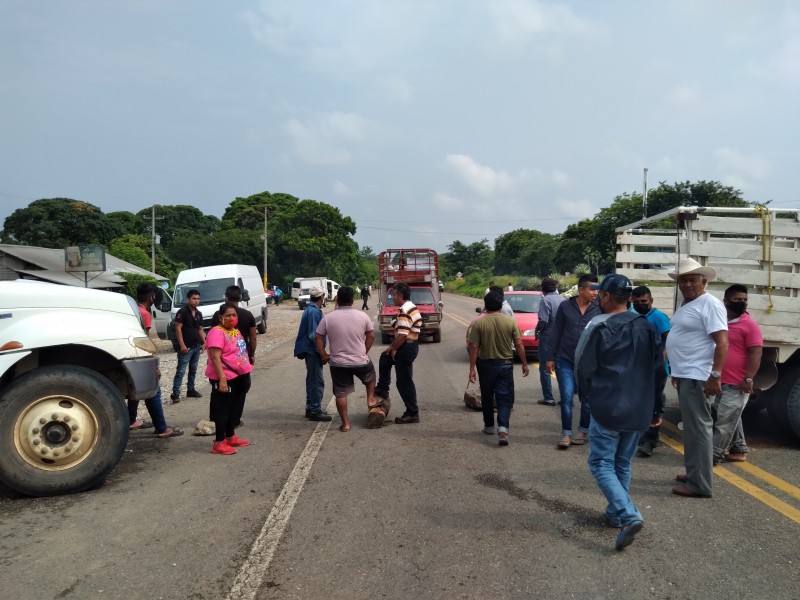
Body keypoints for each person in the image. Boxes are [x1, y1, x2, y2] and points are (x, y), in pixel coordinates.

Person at [575, 274, 665, 551]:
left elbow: (583, 366)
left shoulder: (599, 326)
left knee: (600, 463)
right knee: (622, 464)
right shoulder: (647, 327)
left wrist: (586, 396)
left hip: (609, 405)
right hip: (640, 407)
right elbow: (659, 369)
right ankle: (616, 514)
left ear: (607, 297)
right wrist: (656, 407)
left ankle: (629, 515)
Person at [666, 258, 728, 498]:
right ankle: (694, 473)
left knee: (699, 430)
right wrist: (677, 372)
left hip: (699, 375)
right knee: (692, 430)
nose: (688, 284)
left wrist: (715, 375)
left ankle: (699, 484)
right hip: (686, 374)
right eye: (683, 280)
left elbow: (722, 343)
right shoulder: (687, 303)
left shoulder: (709, 304)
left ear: (704, 281)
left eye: (693, 279)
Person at [468, 290, 529, 446]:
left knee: (487, 396)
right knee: (504, 397)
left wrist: (472, 368)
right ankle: (503, 429)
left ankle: (489, 426)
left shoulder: (479, 323)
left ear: (485, 305)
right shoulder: (510, 322)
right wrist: (524, 363)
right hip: (505, 365)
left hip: (485, 364)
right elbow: (519, 344)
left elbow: (474, 347)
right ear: (501, 305)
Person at [546, 273, 600, 448]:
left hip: (589, 361)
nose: (595, 293)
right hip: (565, 359)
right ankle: (566, 434)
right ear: (581, 289)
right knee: (567, 397)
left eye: (597, 290)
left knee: (587, 398)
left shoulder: (599, 308)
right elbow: (556, 332)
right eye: (592, 289)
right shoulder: (565, 307)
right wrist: (550, 357)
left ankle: (582, 431)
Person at [314, 287, 379, 432]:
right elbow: (371, 335)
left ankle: (345, 424)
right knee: (370, 378)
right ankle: (370, 399)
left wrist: (324, 355)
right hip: (360, 361)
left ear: (337, 300)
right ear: (352, 300)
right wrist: (364, 351)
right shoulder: (362, 316)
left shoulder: (328, 318)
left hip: (338, 363)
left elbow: (317, 336)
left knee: (341, 393)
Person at [713, 284, 762, 465]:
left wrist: (748, 378)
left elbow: (756, 353)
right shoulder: (720, 321)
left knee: (724, 422)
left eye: (744, 300)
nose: (742, 303)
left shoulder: (749, 325)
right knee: (729, 415)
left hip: (737, 383)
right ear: (726, 301)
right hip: (718, 381)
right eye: (737, 300)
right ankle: (738, 448)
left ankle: (712, 455)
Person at [128, 282, 183, 438]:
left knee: (135, 390)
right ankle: (162, 428)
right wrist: (154, 365)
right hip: (141, 356)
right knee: (154, 392)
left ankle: (131, 420)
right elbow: (144, 340)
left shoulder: (133, 310)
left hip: (130, 355)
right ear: (152, 297)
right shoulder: (144, 314)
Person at [205, 302, 253, 455]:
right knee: (223, 410)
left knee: (235, 408)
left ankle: (230, 436)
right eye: (228, 315)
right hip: (225, 377)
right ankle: (219, 442)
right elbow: (214, 357)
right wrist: (222, 380)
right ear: (221, 317)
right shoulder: (216, 332)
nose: (232, 318)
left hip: (239, 375)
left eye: (234, 315)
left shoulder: (235, 331)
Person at [630, 286, 671, 457]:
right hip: (636, 368)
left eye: (644, 302)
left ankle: (651, 440)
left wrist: (661, 360)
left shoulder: (659, 317)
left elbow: (669, 340)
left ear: (651, 301)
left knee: (654, 404)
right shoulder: (632, 316)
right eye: (637, 302)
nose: (640, 304)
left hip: (656, 369)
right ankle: (639, 436)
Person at [375, 283, 422, 424]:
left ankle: (412, 412)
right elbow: (401, 327)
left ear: (400, 296)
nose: (392, 297)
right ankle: (383, 387)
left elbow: (402, 335)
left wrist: (393, 348)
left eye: (394, 295)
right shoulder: (410, 307)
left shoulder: (404, 311)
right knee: (385, 358)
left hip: (406, 347)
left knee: (404, 382)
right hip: (409, 346)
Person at [293, 286, 332, 422]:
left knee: (311, 380)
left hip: (309, 350)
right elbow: (314, 335)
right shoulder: (314, 312)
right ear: (321, 297)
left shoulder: (310, 310)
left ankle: (311, 408)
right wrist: (322, 353)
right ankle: (315, 410)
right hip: (313, 351)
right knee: (316, 381)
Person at [171, 288, 205, 403]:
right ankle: (175, 394)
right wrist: (182, 345)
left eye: (198, 299)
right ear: (188, 299)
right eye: (194, 298)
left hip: (196, 346)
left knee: (193, 369)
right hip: (186, 347)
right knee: (181, 371)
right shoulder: (182, 312)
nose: (196, 301)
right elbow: (178, 328)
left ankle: (191, 389)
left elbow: (200, 329)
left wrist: (204, 342)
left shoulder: (199, 314)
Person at [535, 277, 565, 406]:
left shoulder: (545, 300)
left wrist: (537, 330)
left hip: (547, 337)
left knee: (545, 367)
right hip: (562, 338)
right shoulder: (563, 300)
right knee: (561, 367)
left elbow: (543, 320)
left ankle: (548, 397)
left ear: (543, 289)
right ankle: (566, 398)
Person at [211, 285, 258, 365]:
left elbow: (212, 337)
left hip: (224, 358)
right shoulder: (248, 315)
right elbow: (253, 338)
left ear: (226, 298)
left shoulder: (218, 315)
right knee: (243, 375)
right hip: (243, 356)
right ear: (240, 298)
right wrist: (251, 354)